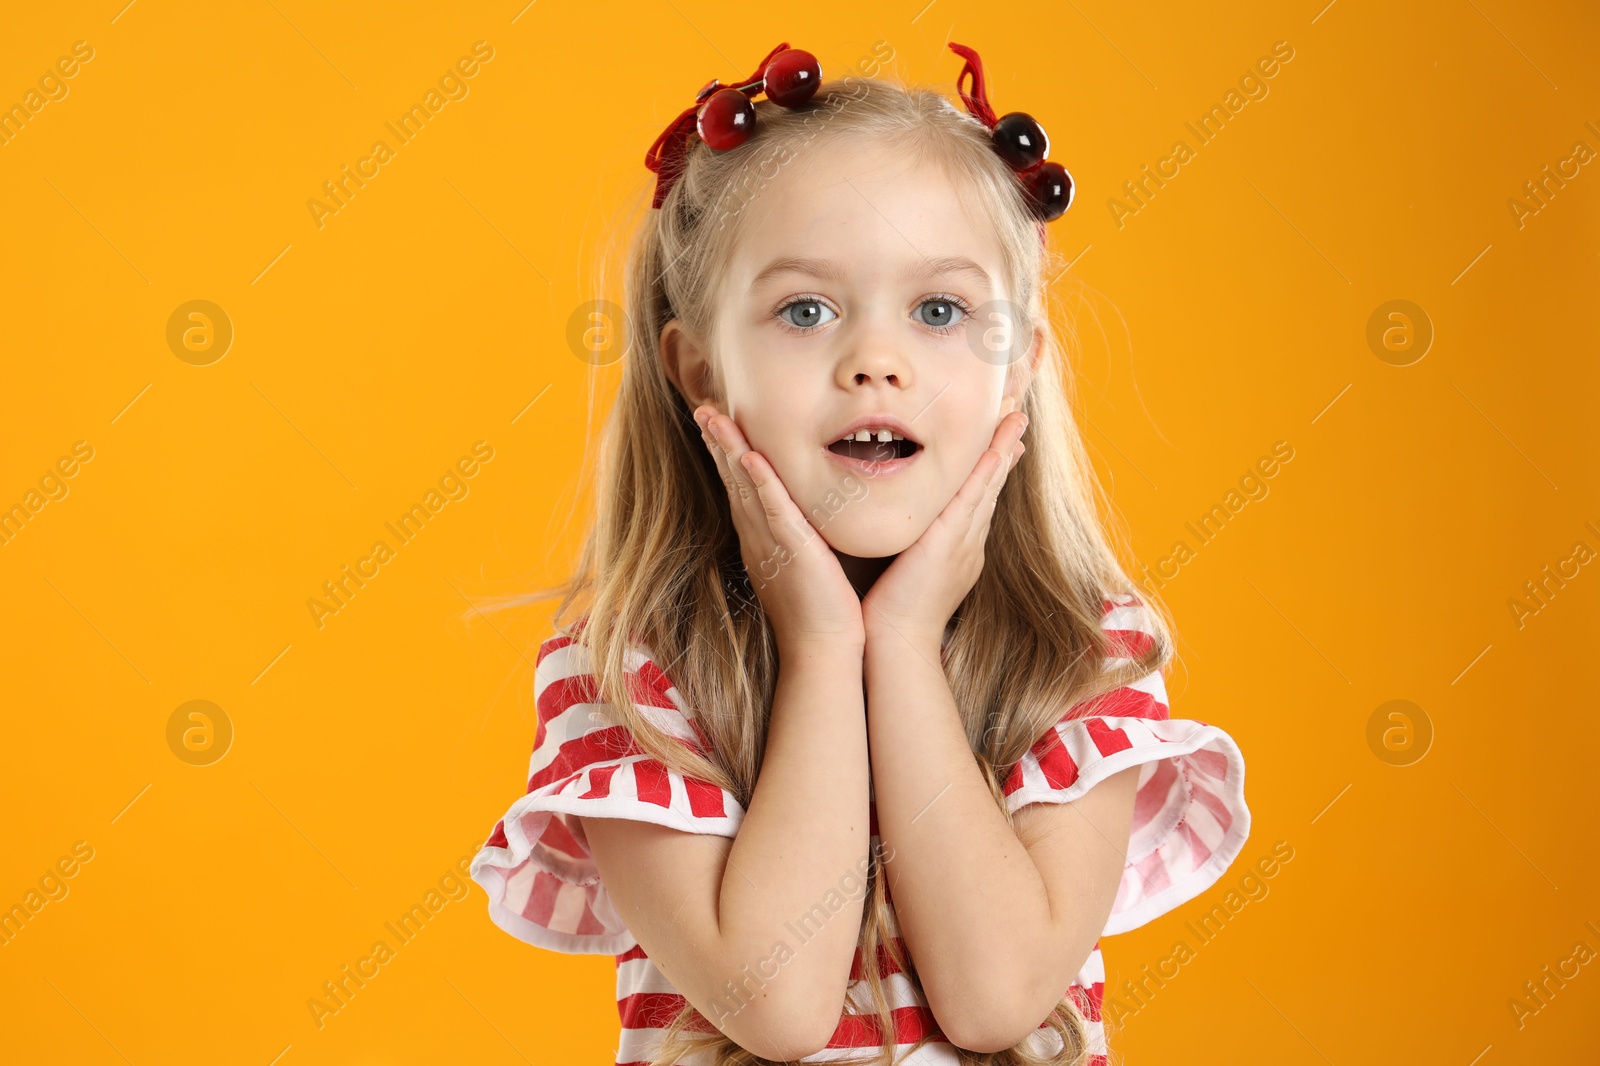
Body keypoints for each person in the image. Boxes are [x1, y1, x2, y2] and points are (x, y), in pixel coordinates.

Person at [469, 41, 1250, 1066]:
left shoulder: (1082, 648)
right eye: (805, 310)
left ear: (1016, 368)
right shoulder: (624, 665)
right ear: (700, 369)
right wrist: (825, 644)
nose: (874, 362)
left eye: (938, 310)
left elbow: (996, 996)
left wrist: (909, 643)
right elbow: (777, 1004)